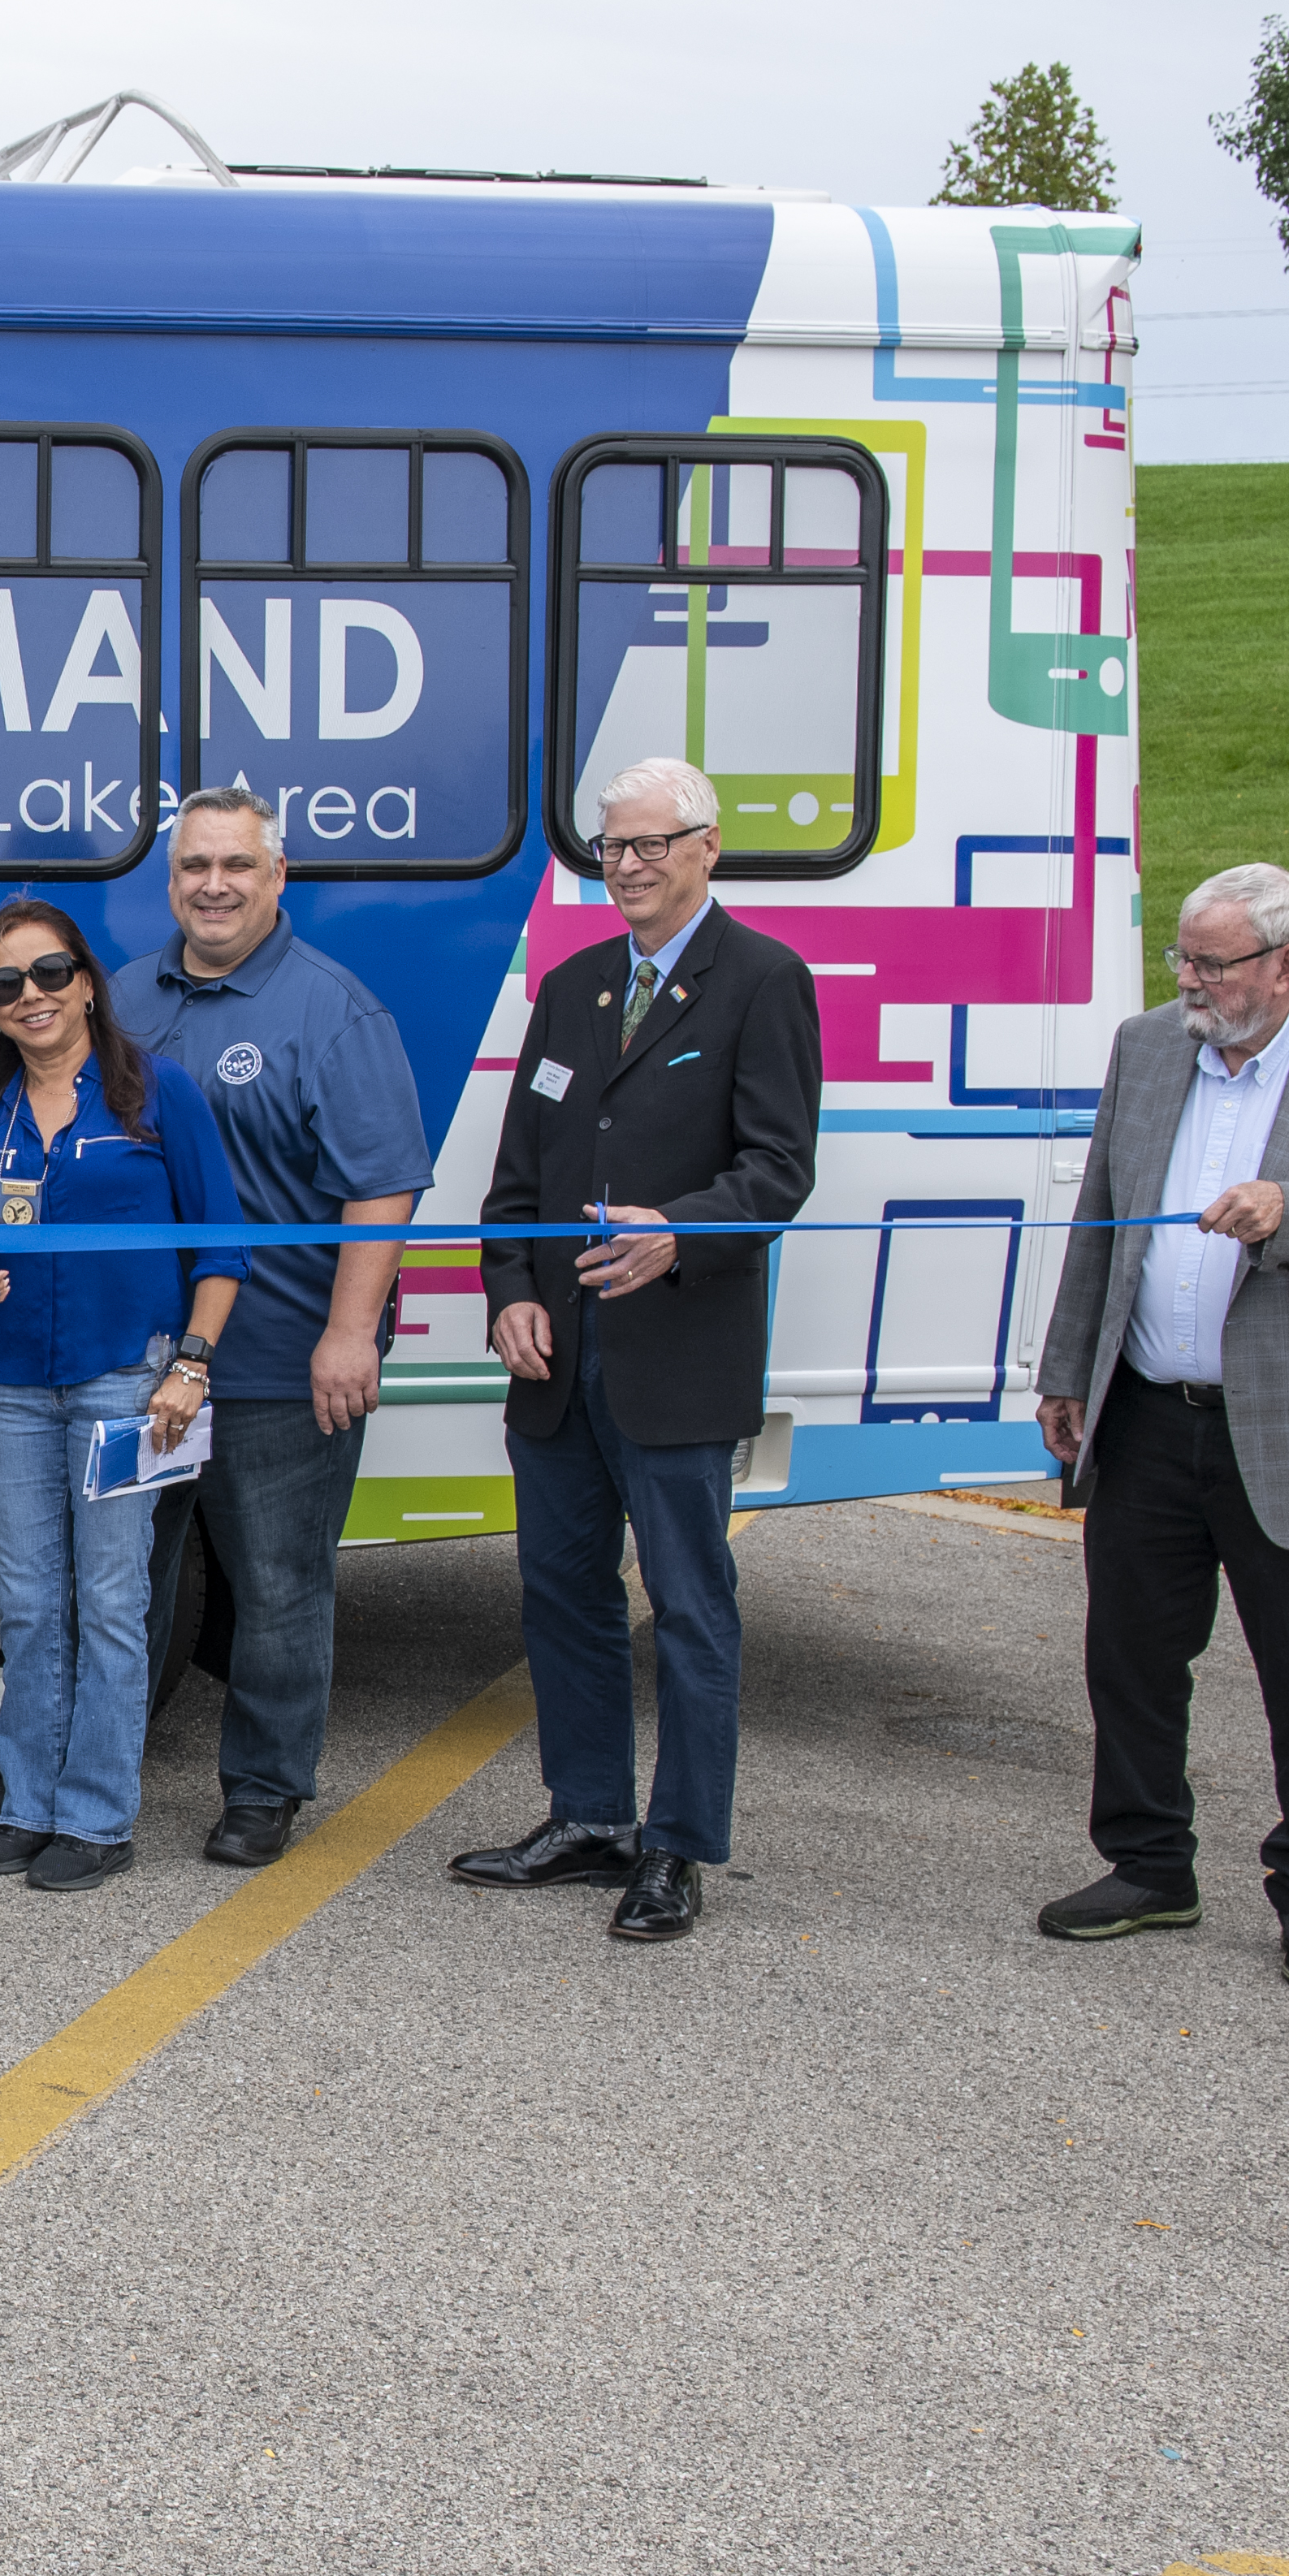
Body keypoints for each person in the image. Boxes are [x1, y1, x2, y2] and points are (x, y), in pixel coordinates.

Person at [1031, 863, 1289, 1993]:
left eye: (1214, 963)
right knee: (1128, 1656)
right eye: (1183, 956)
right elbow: (1102, 1220)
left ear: (1288, 964)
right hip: (1150, 1422)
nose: (1191, 982)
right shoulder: (1148, 1048)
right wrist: (1070, 1367)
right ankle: (1148, 1864)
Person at [452, 759, 820, 1945]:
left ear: (708, 848)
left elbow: (778, 1170)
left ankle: (676, 1848)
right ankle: (589, 1815)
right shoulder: (570, 988)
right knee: (562, 1597)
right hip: (558, 1365)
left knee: (690, 1609)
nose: (629, 866)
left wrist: (682, 1237)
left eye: (652, 845)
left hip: (678, 1358)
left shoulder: (763, 983)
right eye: (612, 847)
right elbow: (515, 1185)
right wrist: (509, 1294)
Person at [108, 786, 435, 1865]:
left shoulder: (331, 1010)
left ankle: (264, 1789)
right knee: (124, 1571)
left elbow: (383, 1186)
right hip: (142, 1364)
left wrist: (350, 1335)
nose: (213, 885)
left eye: (237, 866)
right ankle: (87, 1772)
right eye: (195, 865)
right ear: (170, 882)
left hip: (280, 1361)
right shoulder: (123, 1001)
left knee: (279, 1582)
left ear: (277, 876)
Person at [0, 901, 246, 1892]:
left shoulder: (156, 1093)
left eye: (48, 973)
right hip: (15, 1386)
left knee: (109, 1601)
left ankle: (98, 1817)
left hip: (127, 1386)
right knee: (24, 1600)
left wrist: (189, 1366)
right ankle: (29, 1803)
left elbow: (222, 1247)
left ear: (88, 981)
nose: (30, 997)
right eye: (4, 985)